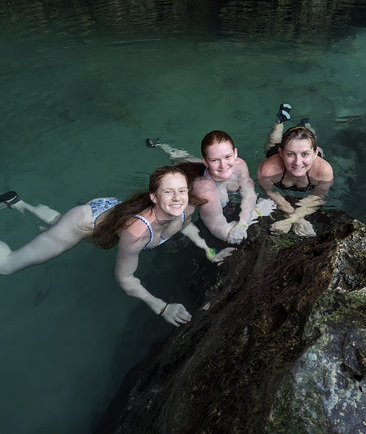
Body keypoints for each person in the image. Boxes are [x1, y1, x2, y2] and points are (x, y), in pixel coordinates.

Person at [0, 166, 233, 327]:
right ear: (154, 197)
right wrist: (161, 307)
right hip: (84, 220)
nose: (177, 198)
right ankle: (22, 208)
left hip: (112, 211)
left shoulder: (186, 208)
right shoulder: (137, 233)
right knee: (7, 266)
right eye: (168, 192)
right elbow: (125, 278)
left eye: (182, 191)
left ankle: (17, 204)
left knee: (55, 224)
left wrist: (209, 252)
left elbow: (186, 226)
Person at [146, 131, 275, 245]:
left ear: (235, 153)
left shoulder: (239, 165)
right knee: (183, 166)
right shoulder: (206, 193)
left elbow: (249, 193)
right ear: (206, 162)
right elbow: (223, 233)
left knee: (185, 159)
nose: (223, 165)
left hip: (208, 174)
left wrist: (243, 220)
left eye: (228, 156)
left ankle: (164, 146)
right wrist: (256, 214)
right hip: (203, 183)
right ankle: (163, 148)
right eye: (214, 160)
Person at [257, 104, 334, 237]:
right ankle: (279, 121)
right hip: (278, 154)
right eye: (290, 154)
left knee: (309, 136)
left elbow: (317, 198)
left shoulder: (323, 171)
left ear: (315, 153)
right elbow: (273, 194)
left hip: (311, 155)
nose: (298, 163)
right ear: (281, 153)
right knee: (273, 140)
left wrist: (291, 220)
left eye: (305, 154)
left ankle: (306, 124)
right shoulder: (268, 169)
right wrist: (294, 218)